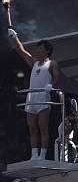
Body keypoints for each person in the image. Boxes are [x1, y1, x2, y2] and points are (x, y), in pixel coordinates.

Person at [8, 29, 59, 160]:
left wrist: (51, 85)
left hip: (43, 99)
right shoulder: (34, 62)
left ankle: (42, 155)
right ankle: (34, 155)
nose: (38, 51)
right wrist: (14, 36)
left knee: (43, 128)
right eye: (38, 49)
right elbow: (20, 49)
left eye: (40, 49)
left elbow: (56, 77)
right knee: (32, 129)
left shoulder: (52, 63)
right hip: (31, 99)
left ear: (47, 51)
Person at [57, 97, 78, 162]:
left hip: (68, 141)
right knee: (63, 158)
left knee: (74, 154)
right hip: (62, 142)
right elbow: (63, 110)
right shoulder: (66, 119)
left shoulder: (72, 119)